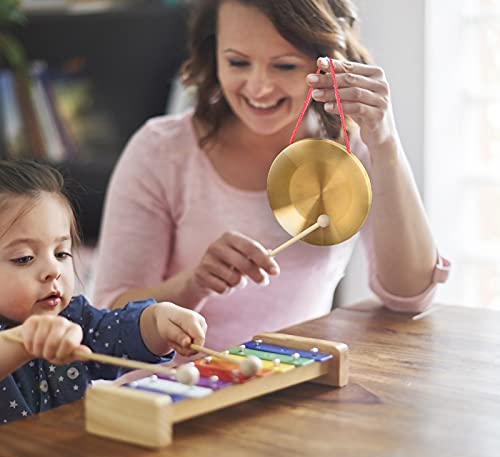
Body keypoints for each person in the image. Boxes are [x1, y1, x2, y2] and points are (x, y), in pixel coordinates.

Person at [93, 0, 450, 353]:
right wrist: (195, 284)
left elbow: (409, 297)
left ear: (327, 62)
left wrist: (385, 144)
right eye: (237, 62)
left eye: (284, 66)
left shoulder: (350, 151)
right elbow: (108, 317)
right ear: (212, 51)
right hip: (168, 393)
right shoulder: (161, 150)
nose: (259, 87)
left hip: (289, 388)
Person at [0, 160, 207, 424]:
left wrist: (158, 321)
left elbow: (120, 332)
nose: (54, 270)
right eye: (24, 258)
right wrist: (25, 341)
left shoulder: (74, 319)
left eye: (61, 253)